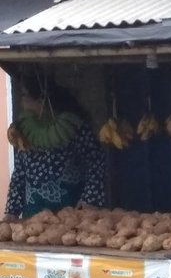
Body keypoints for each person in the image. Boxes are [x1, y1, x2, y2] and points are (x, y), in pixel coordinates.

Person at [4, 78, 106, 220]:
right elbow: (19, 175)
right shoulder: (25, 131)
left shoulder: (72, 127)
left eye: (25, 96)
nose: (22, 102)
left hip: (73, 213)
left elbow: (96, 161)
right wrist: (11, 212)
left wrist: (90, 199)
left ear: (41, 100)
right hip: (34, 217)